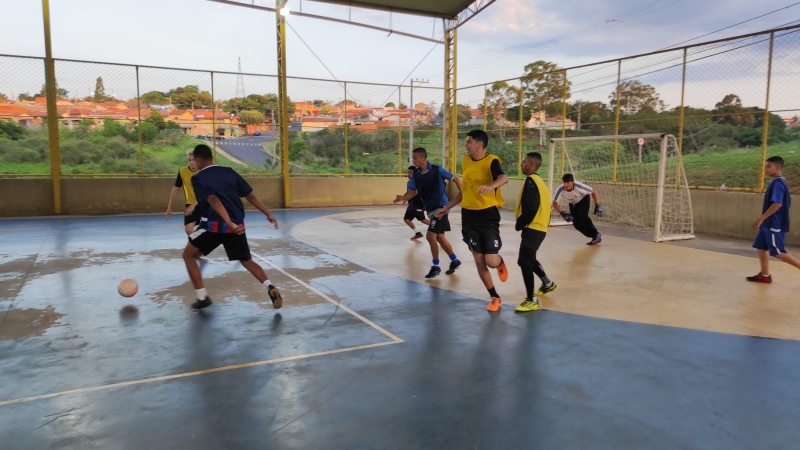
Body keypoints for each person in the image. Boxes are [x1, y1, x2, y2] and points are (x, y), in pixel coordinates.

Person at [182, 144, 282, 310]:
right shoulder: (229, 171)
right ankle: (270, 286)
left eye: (194, 160)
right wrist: (268, 213)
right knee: (246, 260)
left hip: (214, 226)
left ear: (198, 159)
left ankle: (202, 297)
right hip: (238, 225)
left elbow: (214, 200)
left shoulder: (198, 178)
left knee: (188, 255)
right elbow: (250, 195)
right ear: (212, 157)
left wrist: (228, 223)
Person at [436, 130, 508, 312]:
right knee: (478, 260)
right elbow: (464, 192)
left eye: (469, 142)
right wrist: (446, 208)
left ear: (479, 144)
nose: (466, 145)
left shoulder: (491, 161)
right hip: (469, 216)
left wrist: (491, 185)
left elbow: (503, 178)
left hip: (488, 215)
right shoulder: (466, 161)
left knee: (490, 261)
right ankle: (494, 296)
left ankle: (499, 262)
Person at [395, 148, 462, 279]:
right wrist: (402, 198)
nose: (412, 160)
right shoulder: (416, 175)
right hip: (431, 209)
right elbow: (413, 192)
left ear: (423, 158)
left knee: (430, 236)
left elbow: (455, 179)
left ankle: (435, 266)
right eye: (412, 158)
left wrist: (463, 192)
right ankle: (455, 261)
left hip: (442, 207)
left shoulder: (437, 170)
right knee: (440, 238)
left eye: (415, 158)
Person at [514, 152, 558, 312]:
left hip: (533, 227)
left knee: (524, 261)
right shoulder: (540, 182)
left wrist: (520, 223)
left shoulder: (531, 181)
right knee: (530, 258)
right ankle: (547, 283)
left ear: (532, 165)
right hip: (539, 228)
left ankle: (531, 299)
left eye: (524, 162)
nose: (521, 164)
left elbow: (531, 207)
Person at [747, 155, 800, 283]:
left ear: (777, 167)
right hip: (768, 223)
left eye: (768, 166)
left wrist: (760, 219)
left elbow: (777, 204)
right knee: (761, 246)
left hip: (774, 224)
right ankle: (765, 275)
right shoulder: (776, 182)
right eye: (765, 166)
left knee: (777, 252)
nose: (765, 169)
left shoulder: (778, 183)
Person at [552, 173, 604, 245]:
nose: (565, 185)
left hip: (583, 199)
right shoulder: (560, 189)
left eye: (568, 182)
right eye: (564, 182)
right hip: (572, 203)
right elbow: (554, 203)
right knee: (576, 224)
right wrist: (563, 214)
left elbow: (593, 192)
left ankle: (595, 234)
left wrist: (597, 206)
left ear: (572, 182)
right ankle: (595, 236)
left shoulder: (579, 186)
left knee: (582, 217)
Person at [166, 151, 202, 235]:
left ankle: (202, 244)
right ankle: (199, 244)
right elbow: (175, 189)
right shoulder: (183, 172)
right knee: (188, 229)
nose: (191, 162)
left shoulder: (203, 172)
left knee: (209, 229)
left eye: (193, 160)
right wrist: (169, 207)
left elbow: (206, 192)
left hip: (204, 204)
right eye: (189, 160)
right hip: (190, 203)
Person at [402, 165, 430, 240]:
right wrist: (405, 198)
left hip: (418, 205)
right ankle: (418, 233)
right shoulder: (409, 182)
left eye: (411, 173)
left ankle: (437, 228)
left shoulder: (418, 182)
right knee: (406, 219)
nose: (409, 174)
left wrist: (406, 197)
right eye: (408, 172)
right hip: (412, 205)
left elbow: (415, 192)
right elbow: (409, 192)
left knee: (422, 220)